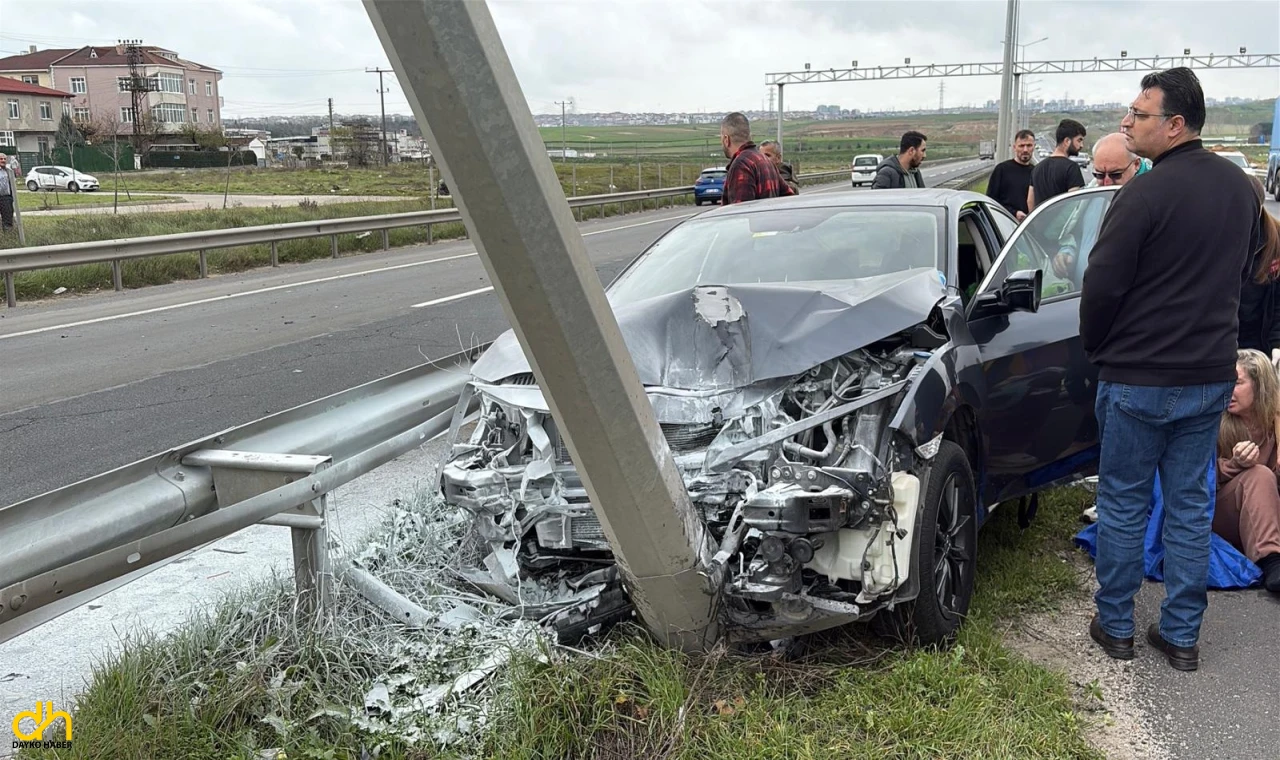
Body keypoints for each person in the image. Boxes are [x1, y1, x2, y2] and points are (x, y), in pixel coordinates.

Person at [1081, 67, 1262, 672]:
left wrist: (1099, 347)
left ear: (1175, 125)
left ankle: (1116, 627)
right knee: (1190, 505)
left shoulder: (1142, 195)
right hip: (1208, 374)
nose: (1128, 123)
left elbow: (1101, 287)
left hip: (1137, 376)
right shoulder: (1241, 189)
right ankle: (1182, 636)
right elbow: (1241, 271)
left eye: (1139, 114)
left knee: (1125, 502)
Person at [1214, 349, 1280, 593]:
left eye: (1238, 383)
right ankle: (1271, 562)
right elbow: (1196, 477)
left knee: (1266, 475)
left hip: (1264, 516)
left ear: (1260, 386)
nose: (1229, 389)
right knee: (1258, 475)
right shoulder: (1214, 420)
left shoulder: (1274, 423)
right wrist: (1234, 465)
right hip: (1219, 512)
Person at [1050, 133, 1147, 288]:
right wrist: (1067, 252)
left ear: (1136, 165)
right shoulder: (1091, 195)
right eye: (1099, 174)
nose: (1106, 183)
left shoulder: (1152, 198)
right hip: (1081, 295)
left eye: (1116, 175)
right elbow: (1076, 233)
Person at [1236, 176, 1280, 362]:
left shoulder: (1276, 240)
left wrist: (1277, 343)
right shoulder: (1214, 235)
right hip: (1221, 342)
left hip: (1261, 343)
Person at [718, 112, 793, 205]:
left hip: (755, 219)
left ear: (726, 139)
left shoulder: (741, 165)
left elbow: (740, 212)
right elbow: (789, 198)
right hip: (770, 219)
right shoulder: (766, 161)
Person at [1027, 119, 1087, 212]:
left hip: (1041, 224)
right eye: (1079, 140)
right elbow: (1074, 203)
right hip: (1062, 225)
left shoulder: (1037, 168)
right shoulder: (1071, 168)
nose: (1081, 145)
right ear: (1067, 141)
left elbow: (1030, 201)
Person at [985, 129, 1036, 220]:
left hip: (1029, 226)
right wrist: (1014, 213)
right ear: (1014, 147)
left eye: (1029, 145)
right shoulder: (1002, 170)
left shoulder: (1036, 172)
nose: (1025, 150)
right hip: (1004, 225)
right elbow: (990, 200)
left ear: (1034, 147)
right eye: (1021, 146)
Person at [0, 154, 15, 232]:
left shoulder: (8, 171)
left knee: (8, 218)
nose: (3, 160)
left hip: (6, 198)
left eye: (4, 159)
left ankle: (8, 237)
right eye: (1, 159)